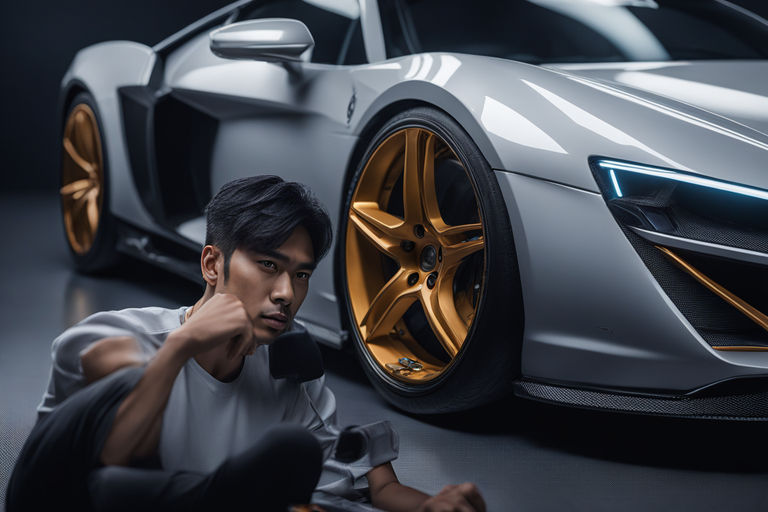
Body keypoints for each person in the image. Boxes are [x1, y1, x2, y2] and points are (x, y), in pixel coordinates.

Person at [7, 176, 486, 512]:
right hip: (68, 498)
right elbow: (113, 457)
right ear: (212, 266)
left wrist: (429, 505)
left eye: (301, 275)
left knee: (293, 451)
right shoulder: (114, 337)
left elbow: (363, 478)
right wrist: (181, 346)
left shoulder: (287, 377)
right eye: (269, 266)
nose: (286, 294)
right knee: (117, 469)